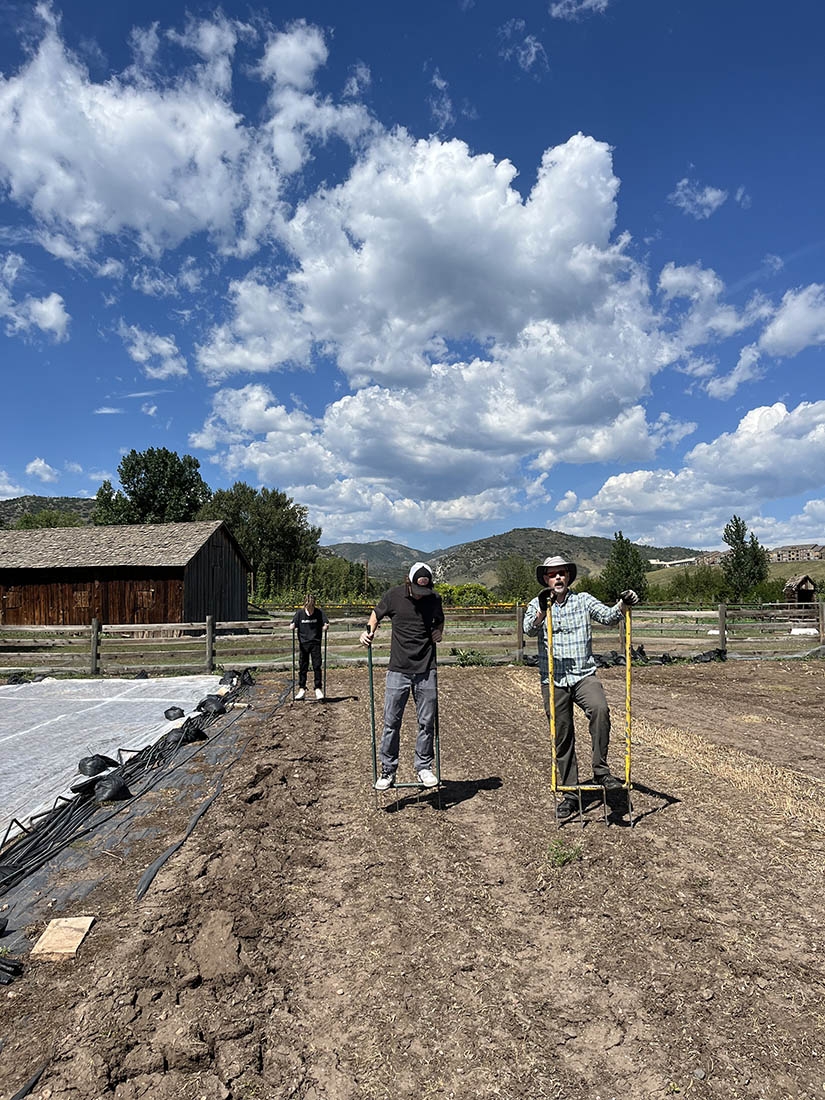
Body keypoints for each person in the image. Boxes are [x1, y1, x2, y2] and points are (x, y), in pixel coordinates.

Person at [523, 555, 639, 819]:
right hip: (553, 679)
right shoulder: (536, 604)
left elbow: (609, 617)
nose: (558, 578)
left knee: (600, 710)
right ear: (545, 579)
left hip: (583, 675)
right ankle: (570, 793)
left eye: (562, 573)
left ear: (569, 576)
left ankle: (601, 770)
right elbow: (528, 628)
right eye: (552, 575)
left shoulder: (583, 600)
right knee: (562, 735)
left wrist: (623, 603)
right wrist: (542, 610)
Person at [359, 562, 444, 790]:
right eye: (417, 591)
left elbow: (440, 620)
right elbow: (376, 614)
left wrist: (439, 632)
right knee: (391, 722)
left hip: (426, 668)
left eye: (424, 592)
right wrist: (368, 632)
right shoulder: (394, 596)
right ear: (409, 583)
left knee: (427, 722)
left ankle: (424, 767)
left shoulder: (434, 598)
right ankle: (388, 770)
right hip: (398, 669)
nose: (420, 596)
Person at [291, 594, 329, 700]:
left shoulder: (319, 612)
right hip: (303, 644)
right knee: (303, 666)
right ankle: (302, 688)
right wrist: (293, 626)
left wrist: (325, 626)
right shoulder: (299, 613)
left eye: (311, 606)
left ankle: (318, 688)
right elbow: (293, 623)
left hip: (315, 642)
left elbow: (325, 622)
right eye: (308, 607)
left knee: (317, 666)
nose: (309, 609)